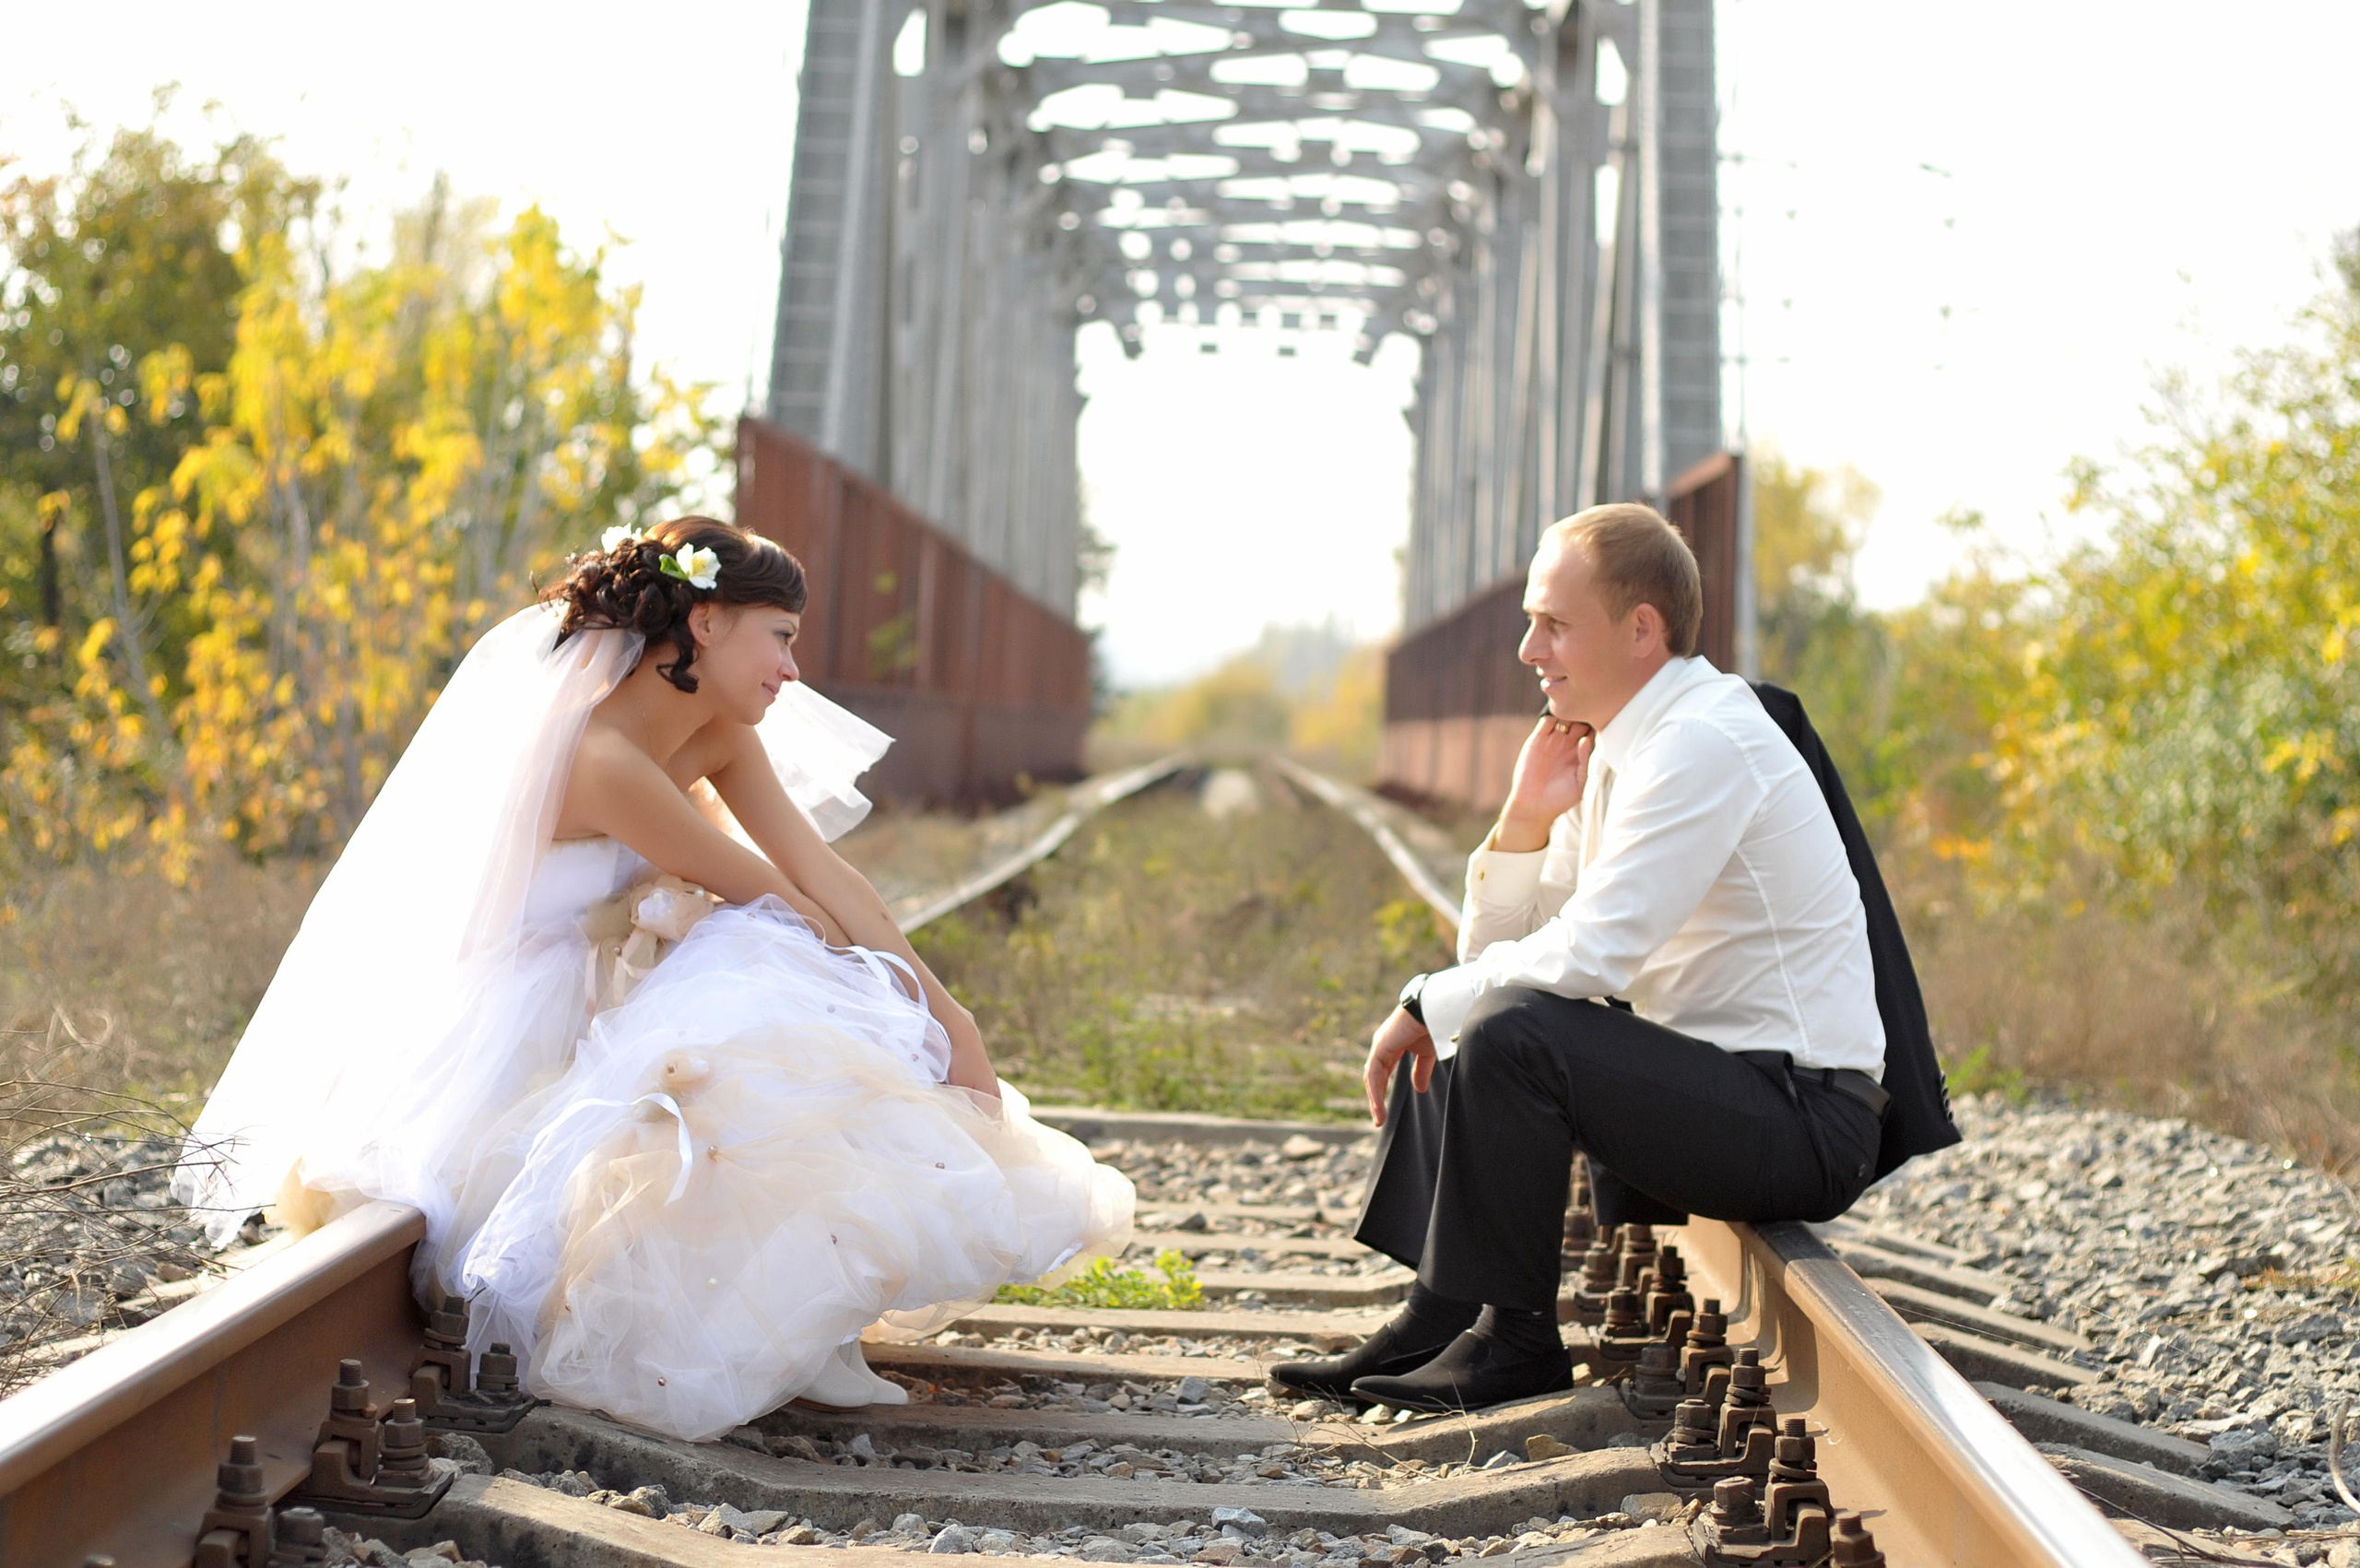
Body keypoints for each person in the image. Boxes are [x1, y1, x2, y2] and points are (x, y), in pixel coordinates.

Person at [172, 516, 1133, 1442]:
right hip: (520, 1026)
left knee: (771, 977)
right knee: (761, 969)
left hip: (610, 992)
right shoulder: (601, 756)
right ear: (705, 624)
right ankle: (768, 1326)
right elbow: (775, 899)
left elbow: (828, 877)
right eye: (781, 638)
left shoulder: (713, 733)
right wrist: (898, 1005)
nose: (794, 671)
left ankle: (812, 1303)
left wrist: (948, 1014)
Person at [1273, 501, 1947, 1415]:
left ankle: (1514, 1345)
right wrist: (1521, 824)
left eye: (1552, 623)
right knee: (1487, 1008)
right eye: (1529, 621)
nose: (1526, 649)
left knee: (1498, 1022)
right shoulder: (1620, 749)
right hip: (1723, 1086)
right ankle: (1438, 1314)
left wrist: (1427, 1001)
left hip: (1801, 1118)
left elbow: (1591, 952)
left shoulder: (1701, 742)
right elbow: (1506, 954)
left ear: (1640, 629)